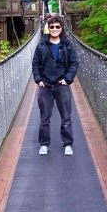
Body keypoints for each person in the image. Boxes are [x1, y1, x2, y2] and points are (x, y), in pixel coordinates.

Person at [32, 14, 79, 156]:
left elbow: (74, 63)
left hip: (61, 85)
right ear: (48, 28)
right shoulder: (41, 45)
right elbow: (35, 64)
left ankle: (68, 144)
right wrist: (38, 79)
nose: (54, 29)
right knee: (45, 118)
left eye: (57, 27)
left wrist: (67, 79)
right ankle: (44, 144)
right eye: (51, 27)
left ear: (61, 28)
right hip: (45, 86)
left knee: (66, 117)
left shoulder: (67, 45)